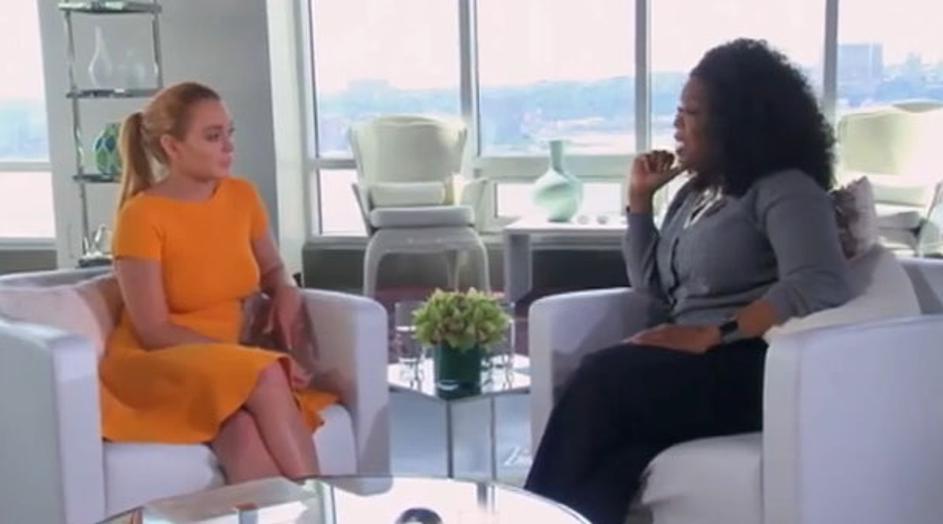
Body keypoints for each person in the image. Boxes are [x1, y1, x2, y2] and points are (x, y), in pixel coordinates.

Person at [524, 39, 853, 524]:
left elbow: (819, 281)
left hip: (752, 365)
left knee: (601, 379)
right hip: (688, 364)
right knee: (616, 461)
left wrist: (713, 333)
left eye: (692, 113)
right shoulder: (695, 191)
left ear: (735, 122)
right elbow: (652, 287)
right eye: (678, 111)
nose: (677, 124)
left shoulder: (786, 189)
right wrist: (640, 202)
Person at [100, 81, 335, 484]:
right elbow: (153, 329)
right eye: (212, 136)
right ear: (172, 147)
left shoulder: (242, 196)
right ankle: (324, 501)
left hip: (226, 363)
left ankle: (290, 512)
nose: (229, 146)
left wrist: (285, 291)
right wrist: (249, 360)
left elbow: (273, 270)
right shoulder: (141, 216)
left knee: (242, 433)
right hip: (160, 362)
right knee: (265, 375)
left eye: (230, 133)